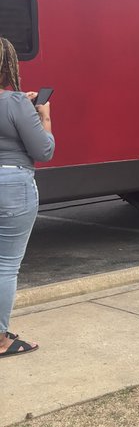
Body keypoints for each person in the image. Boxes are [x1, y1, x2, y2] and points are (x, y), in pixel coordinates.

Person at [0, 36, 55, 356]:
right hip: (12, 186)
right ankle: (2, 339)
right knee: (5, 266)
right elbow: (44, 150)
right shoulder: (17, 102)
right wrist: (42, 114)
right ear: (9, 66)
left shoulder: (18, 102)